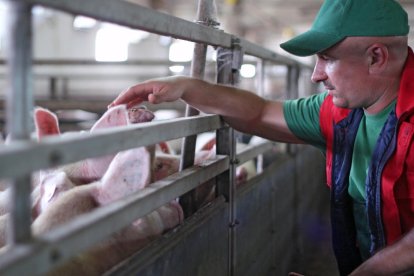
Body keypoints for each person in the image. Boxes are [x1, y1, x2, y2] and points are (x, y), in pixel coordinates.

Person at [109, 0, 414, 275]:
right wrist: (185, 86)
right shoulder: (340, 114)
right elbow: (258, 112)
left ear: (376, 57)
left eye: (327, 58)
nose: (316, 74)